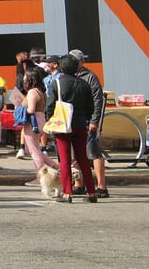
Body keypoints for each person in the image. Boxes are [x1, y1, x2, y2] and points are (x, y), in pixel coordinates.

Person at [45, 52, 98, 202]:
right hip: (80, 123)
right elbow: (90, 108)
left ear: (61, 68)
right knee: (82, 159)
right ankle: (91, 193)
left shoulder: (57, 83)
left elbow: (50, 106)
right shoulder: (84, 84)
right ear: (77, 68)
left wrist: (51, 120)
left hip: (63, 124)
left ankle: (67, 192)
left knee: (65, 159)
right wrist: (85, 119)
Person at [69, 49, 109, 199]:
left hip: (88, 121)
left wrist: (95, 120)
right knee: (76, 153)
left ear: (82, 62)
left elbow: (98, 100)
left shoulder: (90, 77)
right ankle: (79, 184)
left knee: (94, 152)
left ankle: (101, 186)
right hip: (74, 121)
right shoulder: (69, 76)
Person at [18, 64, 59, 186]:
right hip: (41, 120)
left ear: (30, 78)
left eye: (25, 76)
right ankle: (55, 165)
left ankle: (40, 177)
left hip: (32, 122)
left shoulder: (32, 92)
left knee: (34, 151)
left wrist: (19, 108)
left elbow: (30, 109)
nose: (24, 78)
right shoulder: (41, 91)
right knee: (33, 150)